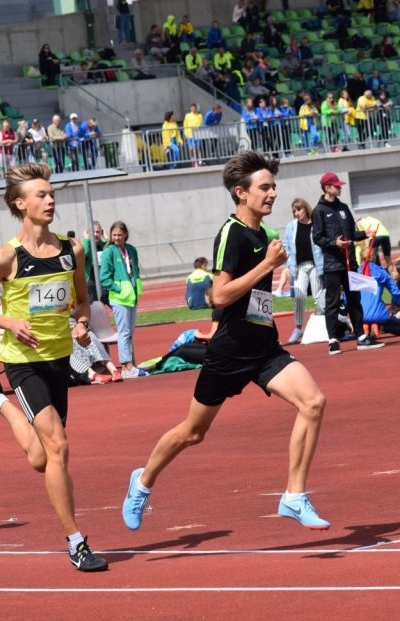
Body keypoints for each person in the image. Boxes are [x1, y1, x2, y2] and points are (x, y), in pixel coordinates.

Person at [121, 150, 331, 533]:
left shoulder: (265, 234)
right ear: (241, 192)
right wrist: (267, 266)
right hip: (230, 350)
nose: (272, 193)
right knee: (193, 432)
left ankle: (294, 496)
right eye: (264, 188)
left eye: (274, 186)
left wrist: (267, 298)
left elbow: (255, 298)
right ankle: (143, 481)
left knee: (313, 402)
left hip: (263, 346)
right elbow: (218, 296)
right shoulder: (231, 234)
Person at [0, 163, 107, 572]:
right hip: (22, 361)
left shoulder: (72, 250)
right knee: (59, 447)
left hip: (60, 357)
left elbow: (82, 301)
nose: (50, 200)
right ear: (19, 204)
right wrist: (10, 322)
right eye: (41, 195)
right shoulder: (5, 257)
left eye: (51, 193)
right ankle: (77, 542)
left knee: (42, 459)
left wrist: (80, 324)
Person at [312, 171, 383, 354]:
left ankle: (361, 337)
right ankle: (333, 340)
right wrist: (334, 243)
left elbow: (352, 233)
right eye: (336, 185)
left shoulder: (343, 208)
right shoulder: (319, 211)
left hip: (349, 263)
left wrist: (364, 234)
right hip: (332, 264)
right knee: (333, 302)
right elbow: (317, 237)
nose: (340, 187)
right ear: (327, 188)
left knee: (354, 299)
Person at [99, 220, 147, 378]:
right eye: (114, 235)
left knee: (130, 331)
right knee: (124, 332)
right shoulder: (109, 251)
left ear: (125, 235)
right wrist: (118, 288)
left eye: (120, 234)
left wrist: (133, 276)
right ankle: (127, 365)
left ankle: (128, 368)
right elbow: (104, 277)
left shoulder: (131, 249)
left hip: (132, 296)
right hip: (119, 298)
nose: (117, 237)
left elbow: (135, 269)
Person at [282, 198, 324, 344]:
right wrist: (289, 261)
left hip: (314, 265)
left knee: (318, 297)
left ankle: (326, 322)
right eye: (294, 211)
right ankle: (298, 327)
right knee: (299, 297)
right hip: (299, 267)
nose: (296, 213)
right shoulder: (291, 227)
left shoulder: (315, 225)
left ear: (305, 209)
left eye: (299, 209)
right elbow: (286, 245)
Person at [81, 221, 108, 305]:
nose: (95, 234)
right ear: (88, 233)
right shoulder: (85, 245)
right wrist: (86, 239)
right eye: (92, 232)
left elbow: (111, 247)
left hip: (104, 282)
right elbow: (85, 254)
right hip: (91, 283)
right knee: (95, 307)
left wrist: (106, 237)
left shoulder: (104, 245)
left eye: (97, 232)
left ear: (101, 232)